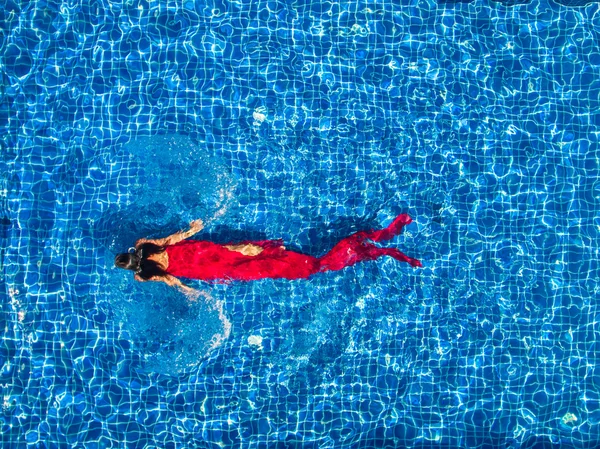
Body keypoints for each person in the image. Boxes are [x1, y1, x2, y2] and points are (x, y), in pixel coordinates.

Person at [114, 214, 421, 291]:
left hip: (222, 270)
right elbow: (180, 236)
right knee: (298, 263)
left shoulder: (146, 276)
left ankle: (376, 249)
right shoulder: (147, 245)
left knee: (313, 268)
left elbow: (174, 284)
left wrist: (195, 294)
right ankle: (376, 242)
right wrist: (194, 229)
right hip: (224, 256)